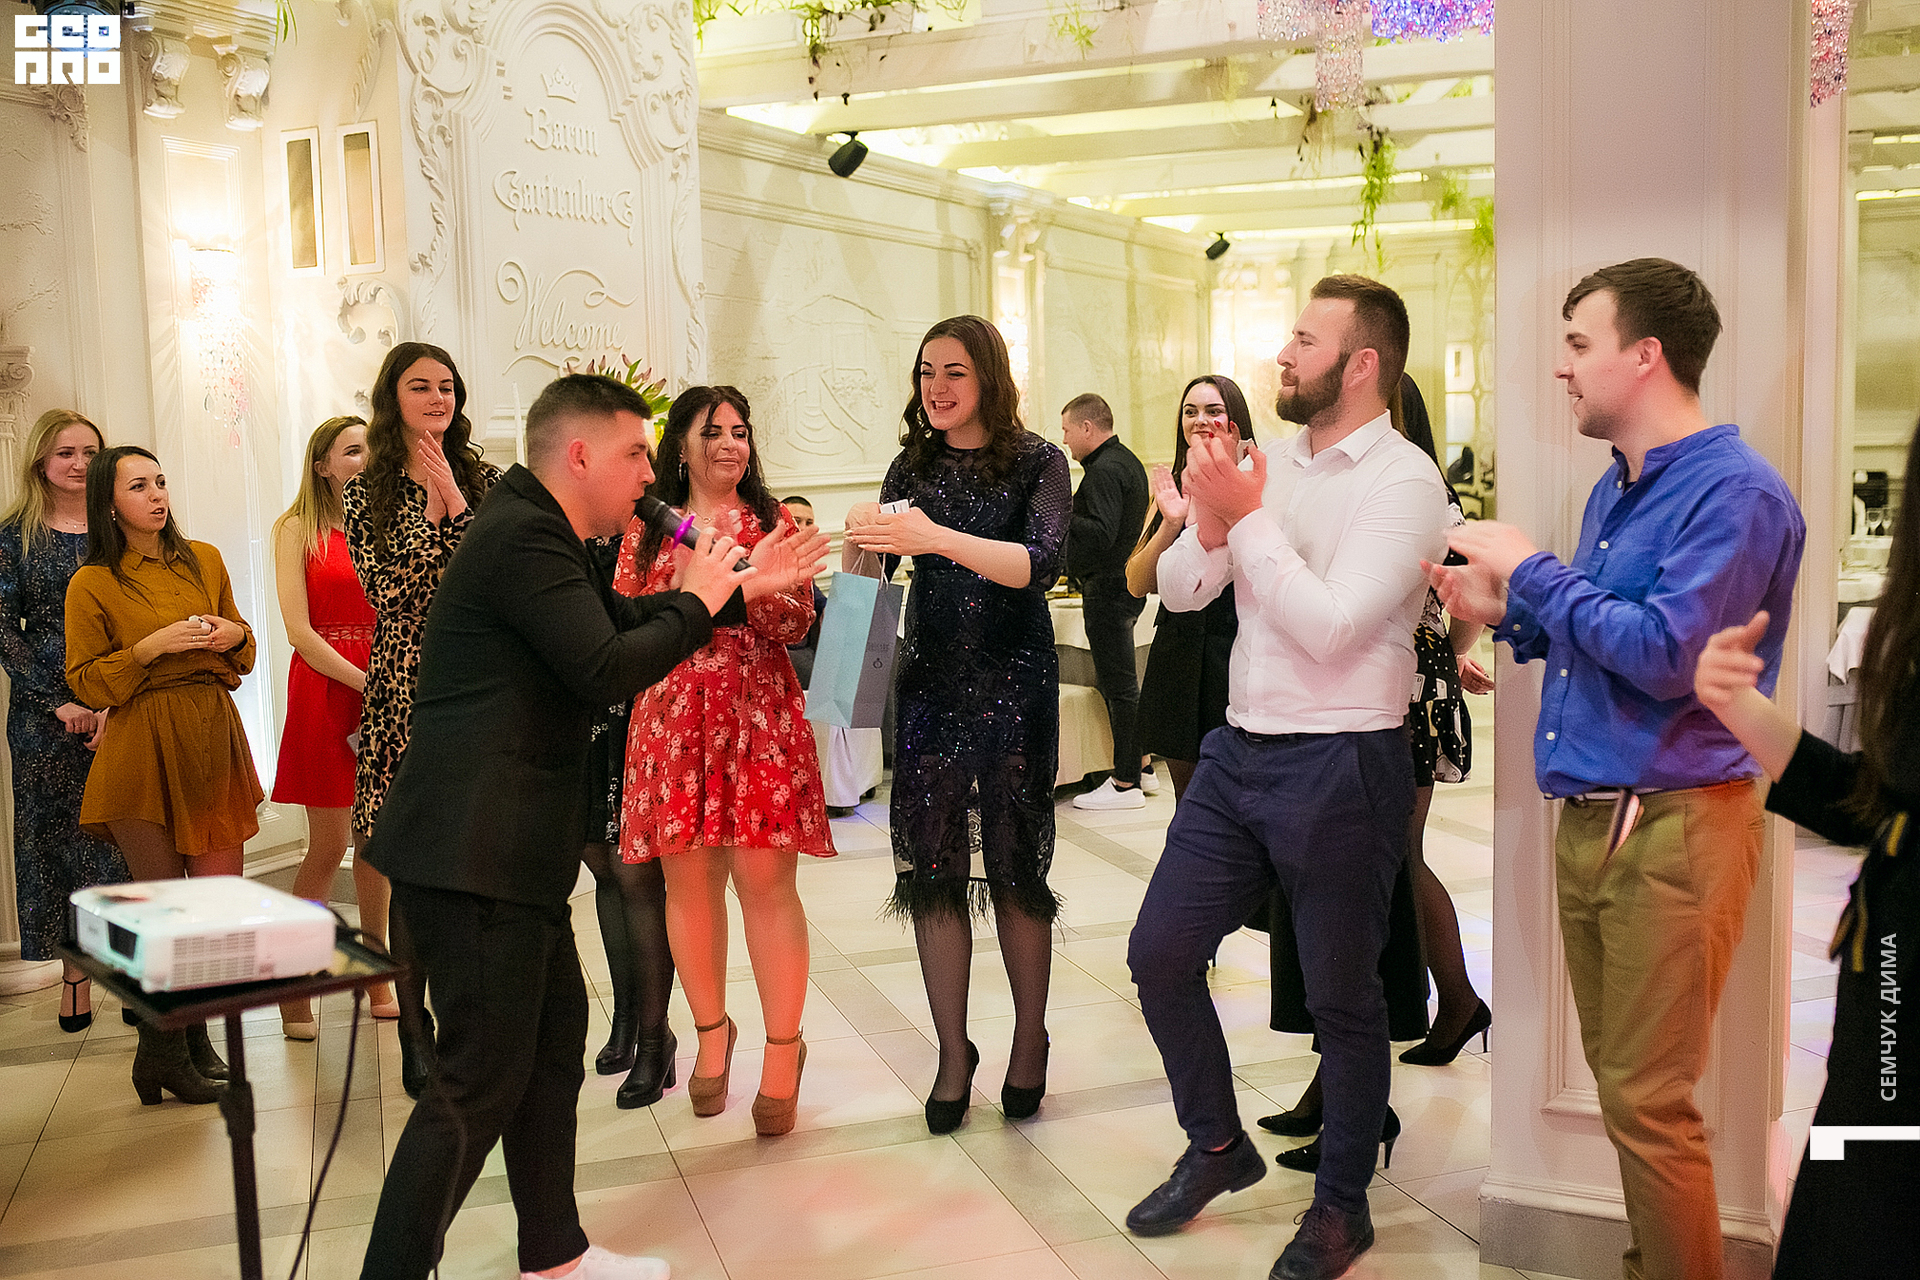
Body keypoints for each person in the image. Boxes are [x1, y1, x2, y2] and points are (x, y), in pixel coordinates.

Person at [355, 373, 827, 1280]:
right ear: (580, 456)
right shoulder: (524, 535)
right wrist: (700, 597)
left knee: (550, 1050)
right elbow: (605, 665)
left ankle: (556, 1257)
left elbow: (615, 616)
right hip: (472, 852)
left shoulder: (539, 526)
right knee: (476, 1083)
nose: (648, 473)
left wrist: (734, 590)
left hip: (510, 853)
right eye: (634, 454)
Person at [1431, 258, 1805, 1280]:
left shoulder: (1735, 491)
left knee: (1648, 1101)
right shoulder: (1618, 483)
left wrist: (1531, 568)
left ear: (1645, 355)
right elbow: (1612, 635)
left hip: (1676, 821)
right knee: (1630, 1090)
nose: (1562, 366)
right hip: (1604, 816)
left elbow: (1673, 656)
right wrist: (1509, 612)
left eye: (1578, 343)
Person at [1124, 275, 1449, 1280]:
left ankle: (1342, 1207)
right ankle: (1218, 1144)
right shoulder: (1277, 464)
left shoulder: (1405, 482)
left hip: (1344, 757)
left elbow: (1334, 624)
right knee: (1159, 952)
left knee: (1343, 999)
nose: (1282, 353)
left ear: (1361, 364)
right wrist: (1206, 519)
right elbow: (1184, 594)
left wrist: (1247, 516)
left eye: (1305, 339)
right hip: (1239, 751)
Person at [1693, 423, 1918, 1280]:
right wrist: (1739, 706)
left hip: (1897, 1011)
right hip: (1883, 995)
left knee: (1862, 1205)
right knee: (1844, 1187)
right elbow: (1880, 803)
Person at [844, 314, 1071, 1132]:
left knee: (1016, 864)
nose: (936, 388)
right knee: (933, 868)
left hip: (1016, 683)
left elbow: (1038, 565)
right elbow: (872, 585)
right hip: (931, 687)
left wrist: (935, 536)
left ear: (989, 379)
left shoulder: (1041, 461)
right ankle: (952, 1052)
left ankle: (1029, 1038)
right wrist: (860, 548)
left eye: (954, 373)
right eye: (925, 372)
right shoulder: (910, 465)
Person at [615, 386, 834, 1137]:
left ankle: (783, 1049)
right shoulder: (647, 529)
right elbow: (624, 617)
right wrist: (698, 585)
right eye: (713, 432)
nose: (729, 445)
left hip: (756, 712)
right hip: (673, 715)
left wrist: (749, 583)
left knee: (765, 881)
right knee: (688, 883)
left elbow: (797, 620)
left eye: (740, 432)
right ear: (679, 444)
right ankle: (712, 1034)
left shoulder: (772, 521)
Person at [66, 445, 263, 1105]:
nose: (156, 495)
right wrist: (148, 649)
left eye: (160, 482)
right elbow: (86, 680)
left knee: (212, 912)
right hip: (142, 746)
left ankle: (182, 1048)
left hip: (211, 733)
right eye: (138, 486)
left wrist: (232, 637)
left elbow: (246, 647)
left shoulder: (204, 557)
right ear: (108, 504)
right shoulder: (92, 582)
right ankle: (168, 1051)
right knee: (164, 914)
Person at [344, 340, 501, 1096]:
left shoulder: (487, 479)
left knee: (473, 860)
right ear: (392, 399)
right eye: (420, 386)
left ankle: (475, 1022)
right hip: (403, 688)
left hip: (476, 679)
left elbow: (495, 573)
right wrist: (436, 515)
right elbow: (387, 593)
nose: (438, 398)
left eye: (447, 386)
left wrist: (457, 504)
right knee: (410, 868)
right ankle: (414, 1030)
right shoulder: (364, 493)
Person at [0, 410, 126, 1033]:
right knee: (59, 848)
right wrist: (59, 700)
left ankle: (130, 976)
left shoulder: (121, 527)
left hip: (121, 700)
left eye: (90, 452)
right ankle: (74, 976)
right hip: (42, 714)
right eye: (65, 453)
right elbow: (3, 629)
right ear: (40, 463)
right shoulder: (14, 536)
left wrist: (110, 702)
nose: (79, 464)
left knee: (124, 845)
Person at [270, 415, 387, 1040]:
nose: (367, 458)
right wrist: (366, 683)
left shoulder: (388, 525)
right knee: (329, 842)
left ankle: (375, 974)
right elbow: (299, 630)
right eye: (353, 450)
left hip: (385, 686)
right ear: (323, 466)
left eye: (372, 447)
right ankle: (294, 985)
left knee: (377, 843)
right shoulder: (297, 528)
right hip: (326, 686)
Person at [1127, 376, 1255, 803]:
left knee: (1236, 792)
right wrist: (1171, 523)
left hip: (1232, 643)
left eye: (1213, 411)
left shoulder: (1255, 479)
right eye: (1190, 411)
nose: (1200, 420)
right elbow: (1136, 582)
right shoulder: (1171, 485)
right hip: (1179, 647)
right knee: (1188, 799)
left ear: (1235, 420)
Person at [1060, 392, 1151, 810]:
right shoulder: (1126, 461)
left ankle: (1125, 782)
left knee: (1119, 688)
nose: (1065, 440)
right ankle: (1142, 764)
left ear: (1087, 427)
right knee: (1122, 683)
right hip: (1126, 585)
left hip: (1109, 589)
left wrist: (1062, 515)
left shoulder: (1103, 471)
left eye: (1067, 430)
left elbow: (1099, 534)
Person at [781, 494, 883, 817]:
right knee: (831, 671)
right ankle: (840, 785)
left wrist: (847, 615)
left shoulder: (808, 574)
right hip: (784, 656)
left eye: (809, 522)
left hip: (810, 654)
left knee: (863, 653)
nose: (802, 527)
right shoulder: (763, 561)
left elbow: (826, 612)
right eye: (795, 521)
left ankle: (856, 780)